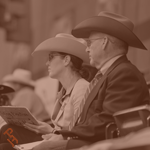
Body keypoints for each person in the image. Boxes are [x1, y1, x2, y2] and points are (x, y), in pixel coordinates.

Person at [31, 11, 150, 150]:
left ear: (104, 42)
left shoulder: (124, 73)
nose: (86, 49)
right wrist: (58, 133)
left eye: (89, 43)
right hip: (94, 141)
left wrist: (65, 135)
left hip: (106, 143)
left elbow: (107, 119)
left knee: (41, 148)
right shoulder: (107, 75)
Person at [0, 33, 90, 149]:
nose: (47, 63)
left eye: (51, 57)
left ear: (66, 60)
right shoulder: (66, 90)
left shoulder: (81, 88)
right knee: (5, 144)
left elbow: (80, 132)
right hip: (54, 139)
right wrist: (49, 128)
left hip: (64, 145)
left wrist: (52, 130)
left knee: (6, 133)